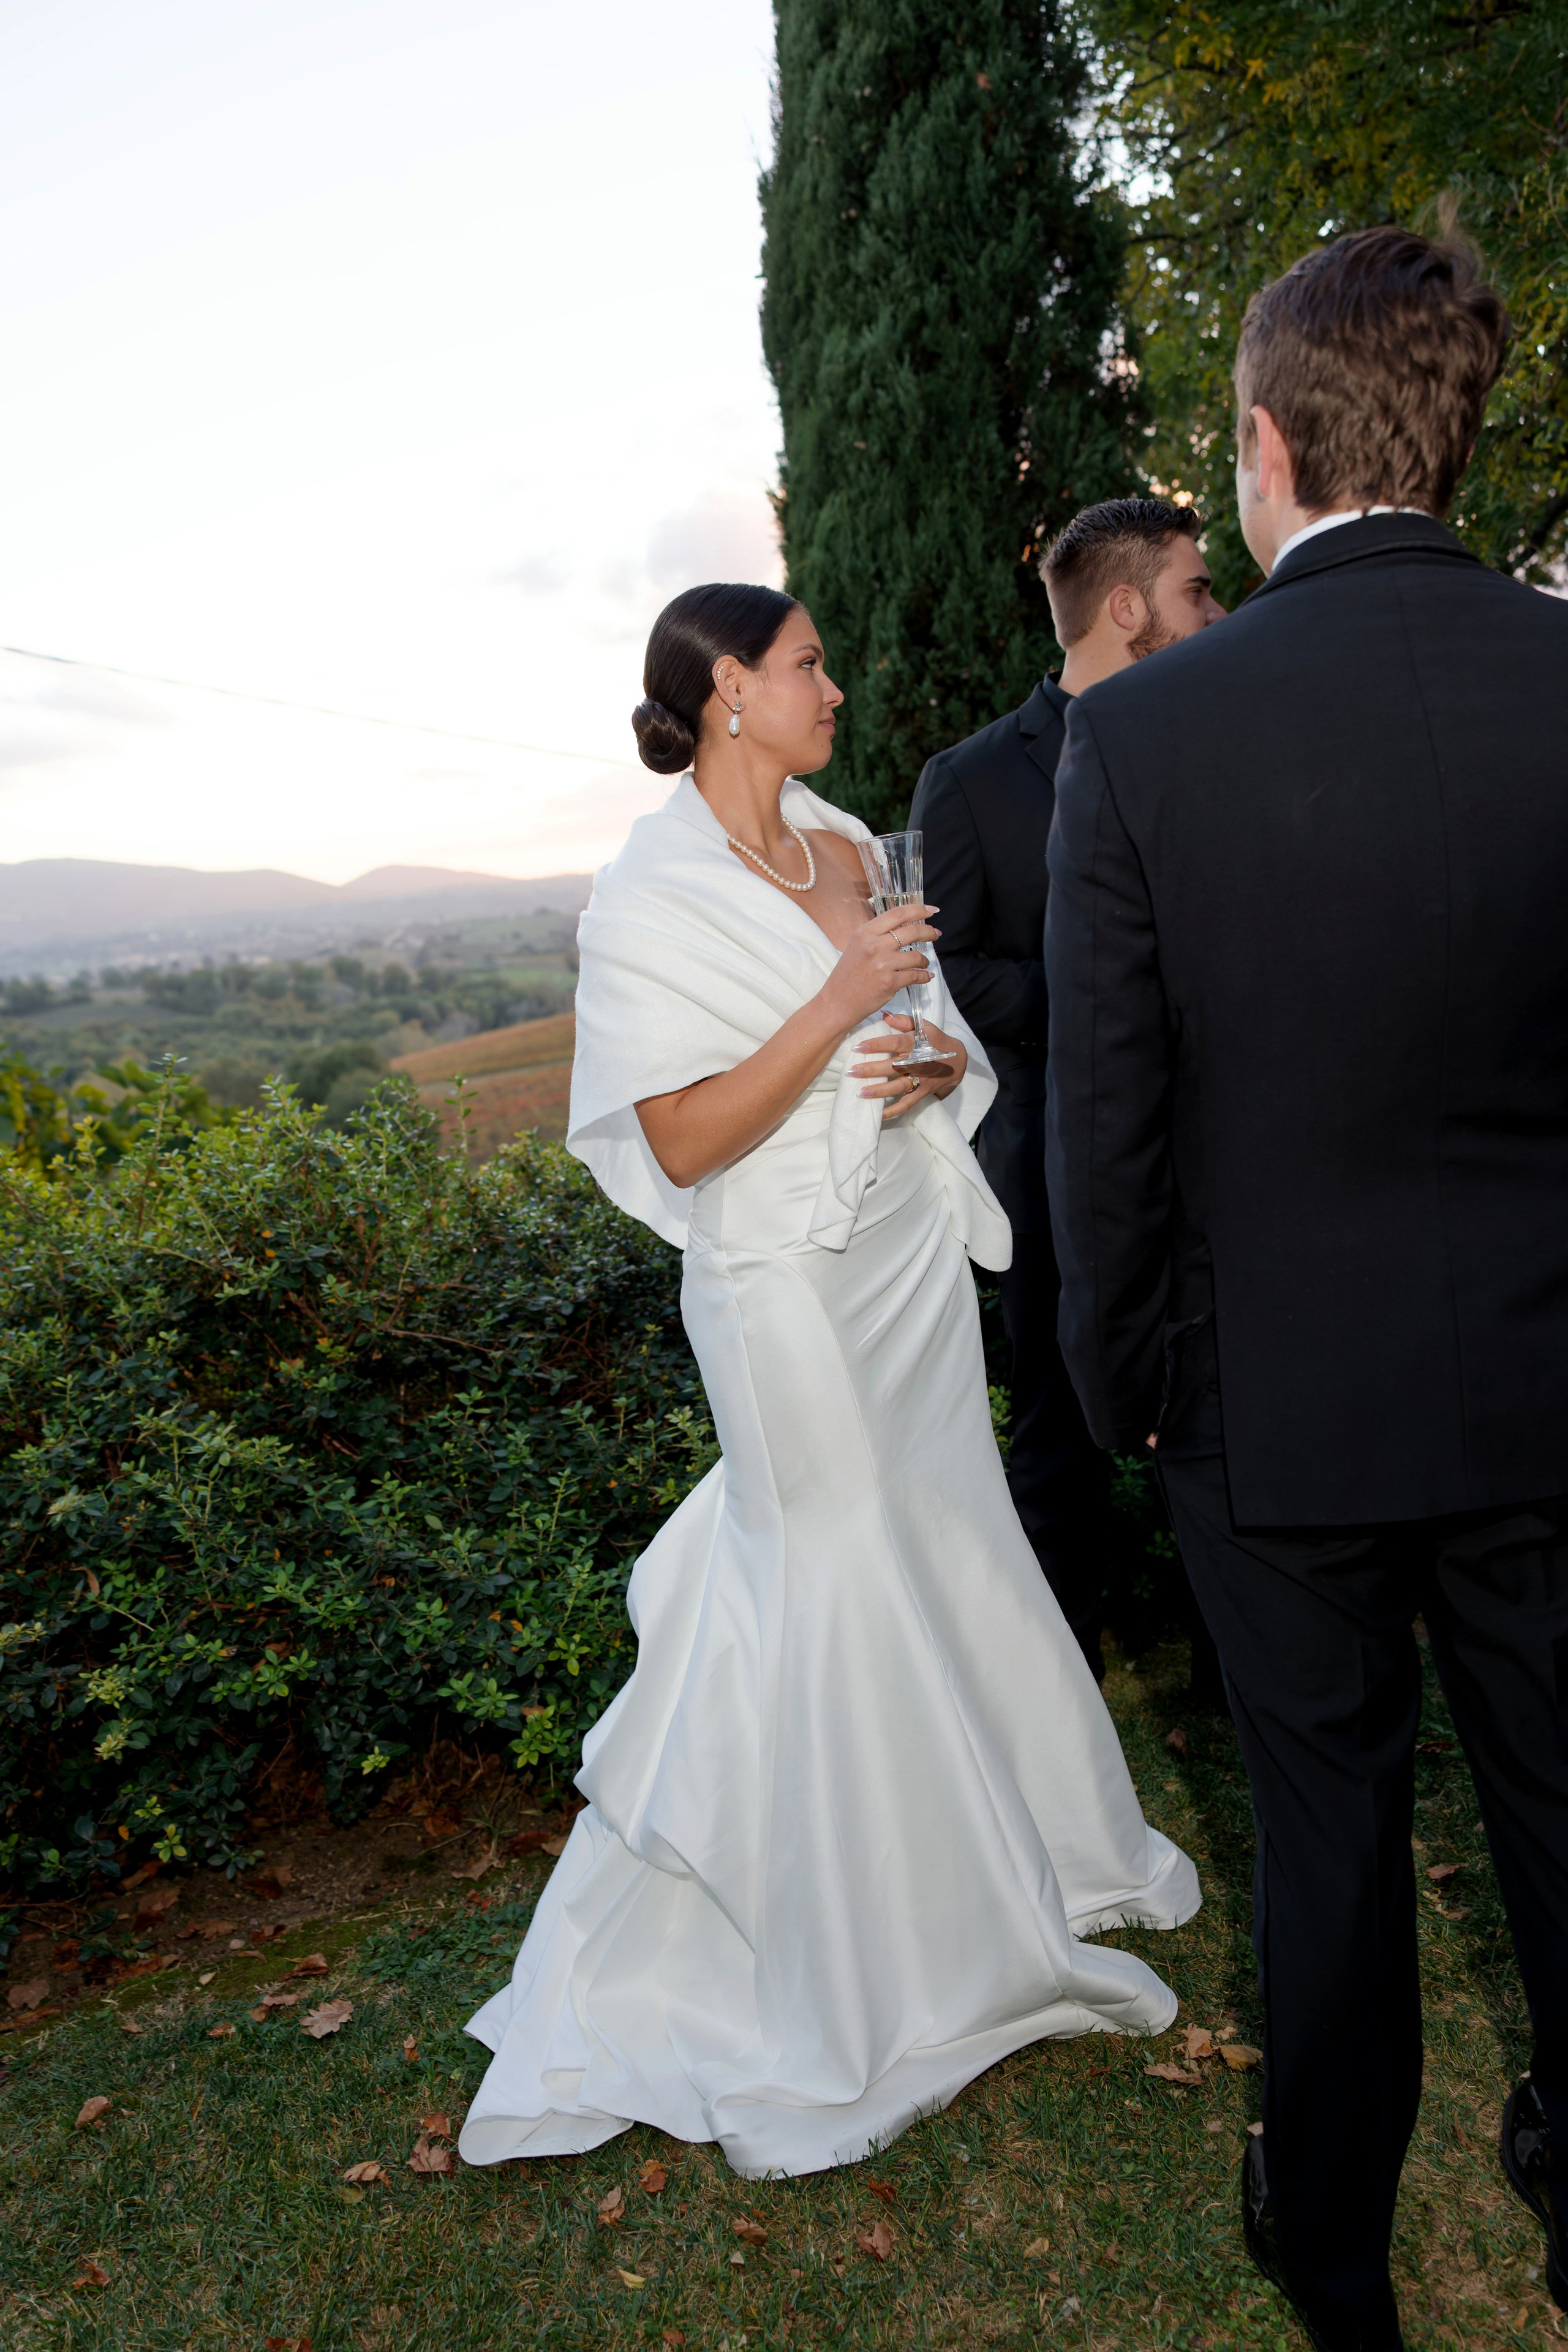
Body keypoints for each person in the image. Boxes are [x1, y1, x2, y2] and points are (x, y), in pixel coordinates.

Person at [458, 582, 1199, 2180]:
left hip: (905, 1274)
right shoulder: (647, 895)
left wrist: (938, 1061)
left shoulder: (858, 846)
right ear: (729, 691)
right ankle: (868, 1960)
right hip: (778, 1281)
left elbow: (929, 1033)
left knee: (941, 1537)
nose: (837, 687)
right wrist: (841, 1001)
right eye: (808, 664)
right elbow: (681, 1138)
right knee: (832, 1562)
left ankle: (1021, 1862)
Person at [1042, 225, 1568, 2352]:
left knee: (1326, 1840)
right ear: (1457, 432)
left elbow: (1111, 1134)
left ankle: (1342, 2267)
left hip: (1268, 1414)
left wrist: (1130, 1393)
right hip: (1553, 1387)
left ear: (1266, 447)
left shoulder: (1153, 738)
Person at [909, 500, 1224, 1675]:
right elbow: (946, 972)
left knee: (1229, 1415)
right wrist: (1106, 997)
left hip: (1221, 1149)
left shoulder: (1222, 744)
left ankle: (1233, 1661)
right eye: (1197, 590)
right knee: (1055, 1432)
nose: (1220, 611)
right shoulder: (974, 778)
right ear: (1127, 607)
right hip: (1049, 1162)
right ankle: (1061, 1687)